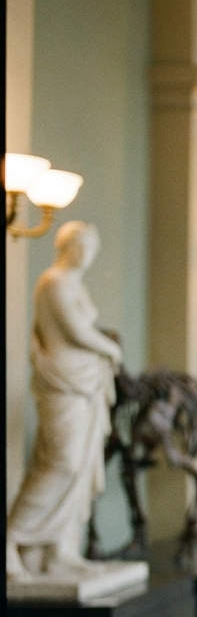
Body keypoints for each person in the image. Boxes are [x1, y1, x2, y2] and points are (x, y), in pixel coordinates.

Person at [7, 222, 123, 579]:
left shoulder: (75, 284)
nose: (89, 254)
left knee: (82, 468)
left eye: (93, 248)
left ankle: (59, 549)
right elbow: (76, 331)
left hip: (86, 382)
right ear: (67, 245)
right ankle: (10, 540)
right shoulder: (53, 282)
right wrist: (111, 349)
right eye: (83, 246)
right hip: (63, 380)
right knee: (63, 463)